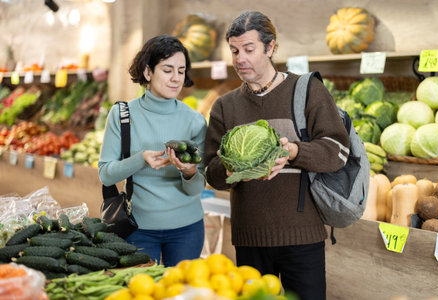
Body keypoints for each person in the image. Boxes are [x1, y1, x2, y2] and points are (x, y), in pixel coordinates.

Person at [204, 11, 350, 300]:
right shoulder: (225, 106)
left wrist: (294, 151)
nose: (240, 59)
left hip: (302, 236)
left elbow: (338, 151)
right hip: (249, 239)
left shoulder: (307, 90)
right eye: (234, 51)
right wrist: (232, 169)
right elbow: (210, 171)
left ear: (270, 48)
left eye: (249, 49)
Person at [98, 35, 207, 267]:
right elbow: (105, 174)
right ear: (148, 72)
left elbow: (198, 187)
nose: (176, 78)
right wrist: (141, 159)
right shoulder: (122, 115)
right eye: (168, 70)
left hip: (187, 230)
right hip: (138, 230)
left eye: (181, 70)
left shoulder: (195, 121)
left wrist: (189, 172)